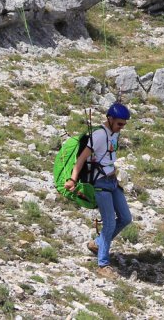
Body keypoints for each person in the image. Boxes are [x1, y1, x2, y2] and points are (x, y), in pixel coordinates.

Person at [64, 102, 132, 277]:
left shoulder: (114, 133)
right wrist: (73, 179)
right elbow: (81, 159)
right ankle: (103, 265)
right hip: (100, 184)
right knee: (109, 223)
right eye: (119, 124)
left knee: (125, 218)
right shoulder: (99, 135)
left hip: (113, 181)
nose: (122, 127)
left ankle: (97, 243)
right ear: (110, 119)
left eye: (124, 124)